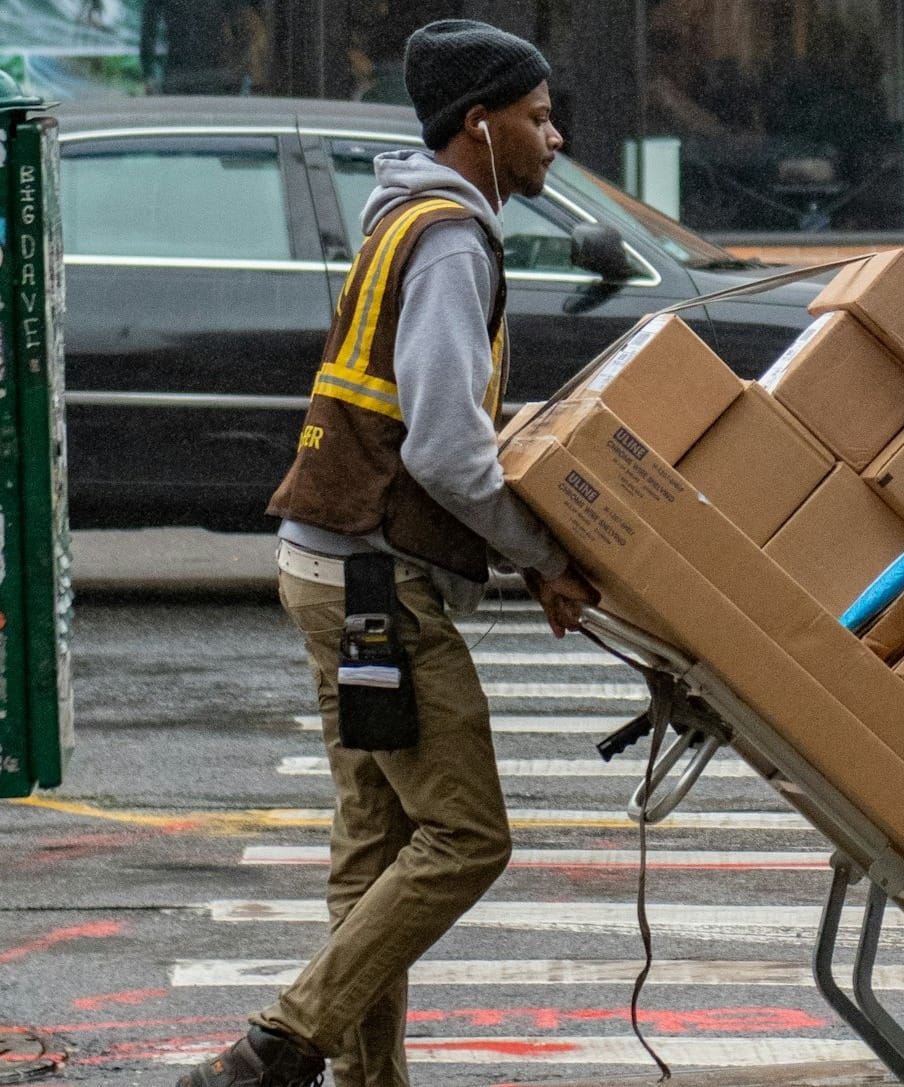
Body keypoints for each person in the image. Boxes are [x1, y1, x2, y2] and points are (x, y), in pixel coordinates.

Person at [177, 20, 597, 1087]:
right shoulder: (453, 240)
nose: (554, 137)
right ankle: (275, 1046)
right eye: (538, 118)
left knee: (374, 846)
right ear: (479, 123)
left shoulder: (401, 219)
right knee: (465, 836)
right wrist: (544, 556)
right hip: (377, 580)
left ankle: (360, 1077)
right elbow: (452, 453)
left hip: (327, 566)